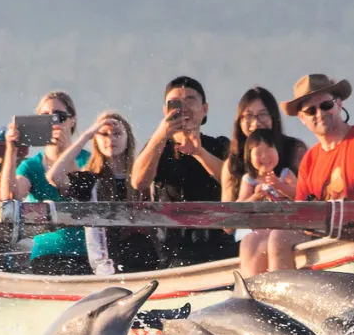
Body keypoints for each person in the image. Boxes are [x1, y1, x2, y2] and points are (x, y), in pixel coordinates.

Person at [267, 73, 354, 271]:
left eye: (325, 105)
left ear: (339, 103)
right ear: (301, 118)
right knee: (275, 238)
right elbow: (302, 211)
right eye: (310, 110)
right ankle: (279, 299)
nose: (319, 113)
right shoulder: (309, 160)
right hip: (325, 243)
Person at [132, 75, 238, 267]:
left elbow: (233, 181)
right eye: (175, 103)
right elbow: (138, 182)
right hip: (174, 252)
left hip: (220, 247)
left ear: (205, 109)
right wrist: (160, 134)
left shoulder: (219, 145)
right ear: (165, 111)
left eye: (190, 100)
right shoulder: (158, 148)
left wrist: (199, 152)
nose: (183, 107)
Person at [48, 111, 158, 273]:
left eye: (117, 134)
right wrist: (86, 135)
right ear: (95, 140)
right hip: (107, 265)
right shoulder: (90, 179)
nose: (111, 139)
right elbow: (54, 176)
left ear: (128, 138)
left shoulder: (141, 177)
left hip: (146, 259)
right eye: (104, 134)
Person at [0, 91, 91, 275]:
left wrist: (66, 151)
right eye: (45, 118)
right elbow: (10, 196)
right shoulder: (32, 165)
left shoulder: (88, 161)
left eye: (59, 116)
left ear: (72, 121)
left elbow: (79, 191)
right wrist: (11, 150)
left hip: (86, 252)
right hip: (47, 253)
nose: (53, 123)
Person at [221, 86, 307, 276]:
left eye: (262, 114)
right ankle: (255, 299)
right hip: (252, 234)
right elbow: (227, 224)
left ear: (274, 117)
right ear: (239, 121)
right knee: (252, 241)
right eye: (248, 116)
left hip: (291, 229)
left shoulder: (294, 150)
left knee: (273, 237)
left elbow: (308, 196)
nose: (255, 122)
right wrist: (255, 196)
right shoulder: (233, 164)